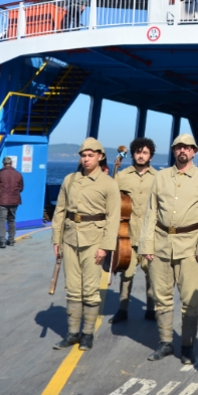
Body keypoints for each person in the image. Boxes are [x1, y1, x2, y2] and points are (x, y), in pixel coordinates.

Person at [139, 133, 198, 365]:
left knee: (190, 299)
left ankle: (188, 346)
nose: (183, 150)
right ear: (173, 151)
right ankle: (165, 342)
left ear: (194, 151)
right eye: (178, 147)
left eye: (187, 147)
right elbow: (151, 212)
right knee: (161, 297)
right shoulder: (161, 177)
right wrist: (146, 244)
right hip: (161, 244)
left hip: (190, 246)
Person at [50, 138, 121, 351]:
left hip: (94, 241)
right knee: (72, 289)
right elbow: (60, 211)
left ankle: (87, 333)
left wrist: (105, 247)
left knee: (90, 290)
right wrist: (56, 239)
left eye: (91, 155)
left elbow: (113, 217)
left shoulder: (109, 184)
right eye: (83, 155)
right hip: (70, 239)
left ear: (100, 157)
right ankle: (72, 333)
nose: (86, 159)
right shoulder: (69, 180)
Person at [109, 138, 158, 324]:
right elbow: (112, 202)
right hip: (127, 234)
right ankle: (123, 309)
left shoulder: (158, 177)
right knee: (126, 273)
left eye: (145, 152)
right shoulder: (121, 176)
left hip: (149, 235)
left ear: (150, 156)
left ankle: (151, 309)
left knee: (151, 273)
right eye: (138, 152)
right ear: (133, 154)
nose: (141, 155)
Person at [0, 157, 24, 249]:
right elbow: (21, 188)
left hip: (2, 201)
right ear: (11, 164)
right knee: (11, 220)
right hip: (14, 201)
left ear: (3, 164)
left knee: (2, 221)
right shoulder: (18, 174)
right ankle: (11, 240)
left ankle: (2, 241)